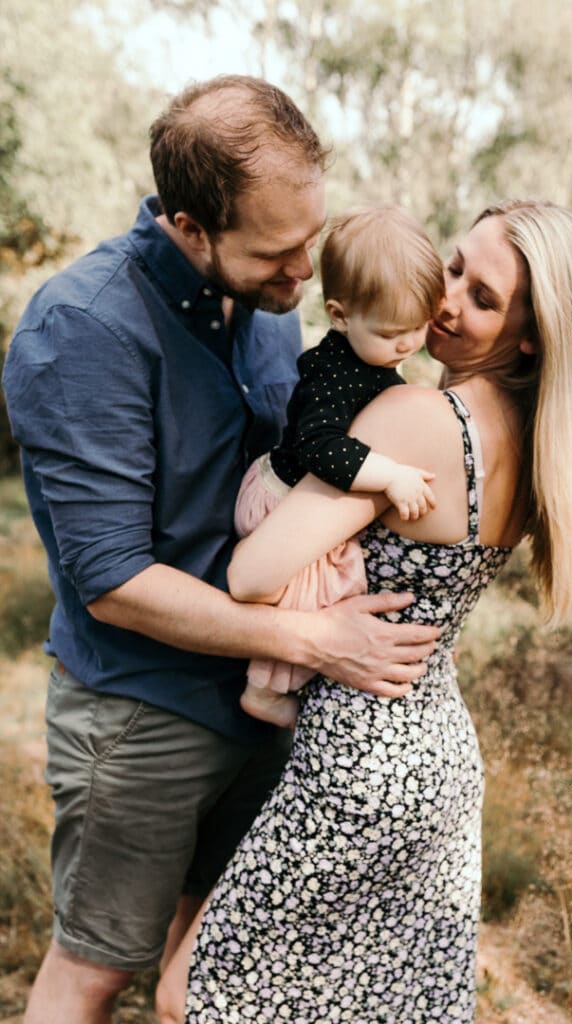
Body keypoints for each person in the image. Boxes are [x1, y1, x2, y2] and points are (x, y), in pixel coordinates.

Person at [0, 75, 441, 1024]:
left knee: (208, 967)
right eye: (278, 254)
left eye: (309, 243)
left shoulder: (276, 305)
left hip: (267, 708)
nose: (302, 277)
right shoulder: (82, 330)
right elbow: (113, 583)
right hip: (142, 714)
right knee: (96, 968)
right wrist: (318, 642)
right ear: (191, 226)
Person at [156, 198, 572, 1023]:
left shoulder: (414, 419)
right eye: (454, 267)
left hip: (358, 761)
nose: (446, 299)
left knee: (192, 995)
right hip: (436, 759)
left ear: (529, 337)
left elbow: (254, 575)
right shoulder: (531, 439)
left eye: (482, 298)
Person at [236, 204, 445, 729]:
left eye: (418, 327)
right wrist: (390, 474)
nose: (408, 344)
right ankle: (263, 688)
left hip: (295, 487)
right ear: (340, 314)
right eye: (393, 331)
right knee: (310, 595)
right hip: (278, 494)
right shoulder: (336, 375)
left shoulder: (371, 361)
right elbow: (319, 447)